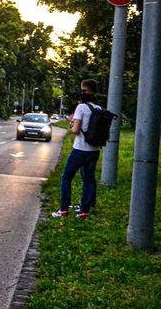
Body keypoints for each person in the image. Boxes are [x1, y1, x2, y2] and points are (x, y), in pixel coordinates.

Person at [52, 79, 101, 220]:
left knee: (66, 177)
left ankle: (63, 209)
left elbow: (75, 130)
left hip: (80, 149)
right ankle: (84, 212)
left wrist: (71, 121)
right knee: (89, 180)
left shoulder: (81, 108)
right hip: (94, 150)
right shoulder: (99, 108)